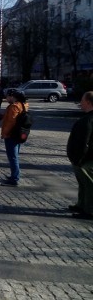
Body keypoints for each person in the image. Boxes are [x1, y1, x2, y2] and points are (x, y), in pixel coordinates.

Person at [66, 91, 93, 219]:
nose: (80, 103)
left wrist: (80, 158)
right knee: (82, 183)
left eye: (82, 100)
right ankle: (81, 204)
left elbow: (85, 141)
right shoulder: (87, 118)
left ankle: (89, 210)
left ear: (88, 102)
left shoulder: (89, 120)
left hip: (86, 159)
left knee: (88, 184)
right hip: (82, 157)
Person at [0, 89, 29, 187]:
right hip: (19, 134)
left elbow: (10, 122)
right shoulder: (23, 105)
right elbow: (12, 118)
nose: (6, 98)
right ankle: (14, 176)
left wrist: (5, 134)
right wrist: (1, 116)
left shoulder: (14, 107)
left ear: (12, 96)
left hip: (11, 135)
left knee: (13, 157)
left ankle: (14, 178)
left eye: (7, 96)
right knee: (15, 156)